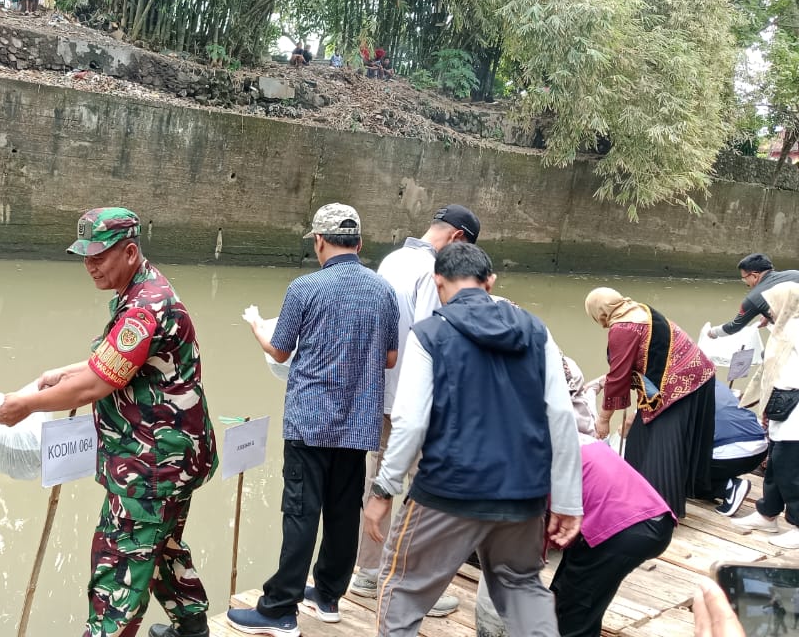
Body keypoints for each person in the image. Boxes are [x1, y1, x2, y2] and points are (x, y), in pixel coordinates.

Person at [0, 207, 218, 637]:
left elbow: (95, 385)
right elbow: (115, 361)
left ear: (130, 252)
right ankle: (192, 629)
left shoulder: (143, 309)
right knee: (162, 547)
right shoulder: (142, 291)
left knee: (119, 565)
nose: (90, 266)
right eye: (85, 257)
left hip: (152, 465)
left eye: (99, 256)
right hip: (174, 458)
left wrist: (27, 405)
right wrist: (64, 372)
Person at [365, 242, 583, 637]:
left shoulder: (430, 334)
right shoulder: (537, 332)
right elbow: (561, 415)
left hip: (448, 492)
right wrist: (568, 501)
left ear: (438, 282)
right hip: (523, 495)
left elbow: (410, 423)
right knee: (522, 587)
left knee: (403, 590)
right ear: (490, 282)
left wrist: (383, 489)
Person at [227, 204, 399, 637]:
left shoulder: (305, 288)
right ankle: (327, 596)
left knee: (301, 513)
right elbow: (390, 357)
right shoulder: (383, 291)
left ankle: (279, 609)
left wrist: (256, 328)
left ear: (319, 241)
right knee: (343, 512)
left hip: (310, 423)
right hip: (358, 424)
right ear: (359, 242)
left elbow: (280, 350)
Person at [351, 204, 480, 611]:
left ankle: (368, 572)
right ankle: (412, 583)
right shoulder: (432, 271)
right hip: (418, 397)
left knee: (378, 479)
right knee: (426, 489)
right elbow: (433, 336)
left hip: (380, 391)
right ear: (458, 237)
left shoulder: (393, 260)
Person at [587, 287, 717, 519]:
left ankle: (659, 513)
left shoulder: (623, 328)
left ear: (601, 313)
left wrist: (603, 419)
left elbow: (618, 378)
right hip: (698, 375)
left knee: (660, 446)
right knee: (639, 440)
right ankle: (650, 496)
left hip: (679, 385)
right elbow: (638, 364)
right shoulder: (639, 310)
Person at [549, 434, 676, 637]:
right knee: (564, 592)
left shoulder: (534, 457)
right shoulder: (568, 435)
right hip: (648, 519)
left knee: (576, 613)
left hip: (623, 527)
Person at [730, 283, 799, 549]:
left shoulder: (795, 329)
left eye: (771, 304)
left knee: (789, 467)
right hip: (782, 402)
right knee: (775, 462)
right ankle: (767, 513)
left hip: (795, 406)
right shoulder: (784, 326)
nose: (768, 310)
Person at [702, 380, 767, 517]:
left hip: (731, 451)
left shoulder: (681, 391)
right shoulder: (713, 381)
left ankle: (727, 488)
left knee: (675, 471)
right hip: (759, 446)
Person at [707, 254, 799, 339]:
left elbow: (734, 327)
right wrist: (769, 316)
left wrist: (713, 332)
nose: (746, 283)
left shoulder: (753, 299)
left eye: (744, 279)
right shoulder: (795, 273)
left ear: (754, 276)